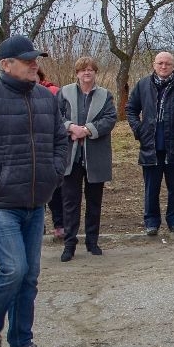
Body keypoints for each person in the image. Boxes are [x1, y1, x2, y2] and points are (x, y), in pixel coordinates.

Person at [0, 35, 67, 347]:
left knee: (30, 274)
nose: (35, 63)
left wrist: (54, 172)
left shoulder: (46, 98)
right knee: (13, 269)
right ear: (6, 65)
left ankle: (21, 342)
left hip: (36, 200)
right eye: (28, 60)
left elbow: (59, 141)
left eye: (36, 58)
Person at [127, 52, 174, 236]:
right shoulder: (143, 85)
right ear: (154, 64)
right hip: (150, 145)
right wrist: (138, 129)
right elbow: (131, 109)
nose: (164, 67)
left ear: (173, 66)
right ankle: (151, 222)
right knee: (151, 187)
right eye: (160, 63)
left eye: (168, 64)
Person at [57, 57, 117, 262]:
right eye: (83, 70)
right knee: (70, 202)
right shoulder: (64, 92)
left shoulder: (105, 95)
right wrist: (70, 127)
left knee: (94, 202)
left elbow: (110, 119)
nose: (87, 73)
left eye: (91, 69)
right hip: (70, 157)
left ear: (95, 73)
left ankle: (92, 242)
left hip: (95, 156)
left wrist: (86, 131)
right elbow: (55, 116)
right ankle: (69, 244)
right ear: (77, 73)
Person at [36, 67, 64, 241]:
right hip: (30, 151)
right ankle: (39, 226)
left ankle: (60, 224)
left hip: (50, 148)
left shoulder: (53, 92)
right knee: (35, 192)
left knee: (55, 191)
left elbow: (61, 119)